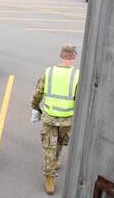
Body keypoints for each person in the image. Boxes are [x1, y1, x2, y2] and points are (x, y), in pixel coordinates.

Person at [31, 44, 80, 195]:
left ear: (60, 56)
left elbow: (39, 91)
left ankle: (49, 178)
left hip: (50, 118)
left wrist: (34, 105)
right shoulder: (78, 75)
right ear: (74, 57)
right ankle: (53, 166)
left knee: (49, 147)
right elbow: (80, 98)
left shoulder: (49, 71)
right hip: (67, 119)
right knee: (59, 142)